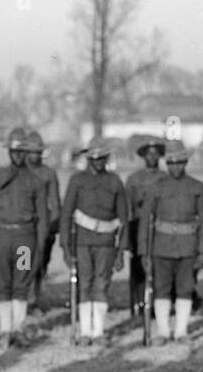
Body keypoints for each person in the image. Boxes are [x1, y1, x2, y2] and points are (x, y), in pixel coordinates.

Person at [0, 126, 48, 350]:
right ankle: (5, 330)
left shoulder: (36, 181)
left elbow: (43, 218)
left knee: (21, 284)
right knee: (2, 284)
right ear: (8, 152)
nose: (18, 155)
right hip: (2, 237)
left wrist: (39, 247)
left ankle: (19, 329)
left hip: (24, 239)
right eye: (14, 151)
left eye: (22, 151)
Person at [60, 141, 128, 346]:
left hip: (106, 242)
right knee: (85, 283)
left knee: (101, 284)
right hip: (82, 241)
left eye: (101, 158)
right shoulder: (77, 180)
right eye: (94, 158)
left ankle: (97, 332)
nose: (98, 162)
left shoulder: (115, 181)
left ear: (107, 159)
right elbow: (66, 214)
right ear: (88, 159)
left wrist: (120, 251)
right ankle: (84, 331)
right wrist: (65, 246)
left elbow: (123, 218)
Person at [143, 140, 203, 343]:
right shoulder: (156, 187)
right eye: (171, 163)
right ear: (166, 163)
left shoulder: (197, 187)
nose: (175, 167)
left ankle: (181, 331)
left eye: (180, 162)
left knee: (185, 289)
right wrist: (143, 253)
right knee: (161, 289)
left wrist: (202, 251)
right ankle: (163, 332)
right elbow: (146, 222)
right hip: (161, 247)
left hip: (187, 247)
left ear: (186, 162)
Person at [125, 137, 166, 320]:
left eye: (155, 154)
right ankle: (139, 302)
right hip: (137, 226)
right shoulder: (134, 179)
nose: (152, 157)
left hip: (158, 227)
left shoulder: (165, 178)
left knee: (158, 266)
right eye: (148, 154)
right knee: (137, 267)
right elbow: (127, 206)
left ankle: (156, 301)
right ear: (143, 157)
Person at [25, 130, 61, 311]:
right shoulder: (20, 173)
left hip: (44, 228)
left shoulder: (48, 173)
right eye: (31, 152)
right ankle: (23, 297)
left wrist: (51, 228)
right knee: (22, 263)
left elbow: (55, 203)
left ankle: (35, 297)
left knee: (40, 264)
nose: (34, 155)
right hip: (23, 228)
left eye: (37, 152)